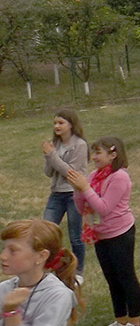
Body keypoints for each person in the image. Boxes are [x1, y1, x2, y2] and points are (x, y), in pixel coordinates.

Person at [69, 136, 140, 326]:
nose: (94, 157)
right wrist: (78, 190)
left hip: (120, 233)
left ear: (113, 155)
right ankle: (120, 320)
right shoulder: (94, 176)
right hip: (101, 234)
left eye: (98, 153)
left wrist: (85, 188)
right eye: (93, 153)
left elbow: (103, 207)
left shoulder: (120, 177)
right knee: (112, 279)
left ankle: (135, 322)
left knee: (125, 276)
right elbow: (81, 206)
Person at [40, 107, 88, 281]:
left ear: (71, 124)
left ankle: (78, 272)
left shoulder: (80, 145)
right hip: (56, 194)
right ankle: (48, 267)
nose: (57, 126)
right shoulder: (56, 145)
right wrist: (48, 156)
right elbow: (49, 172)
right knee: (45, 232)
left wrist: (52, 156)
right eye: (54, 123)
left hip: (73, 193)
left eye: (61, 123)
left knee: (76, 236)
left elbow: (71, 173)